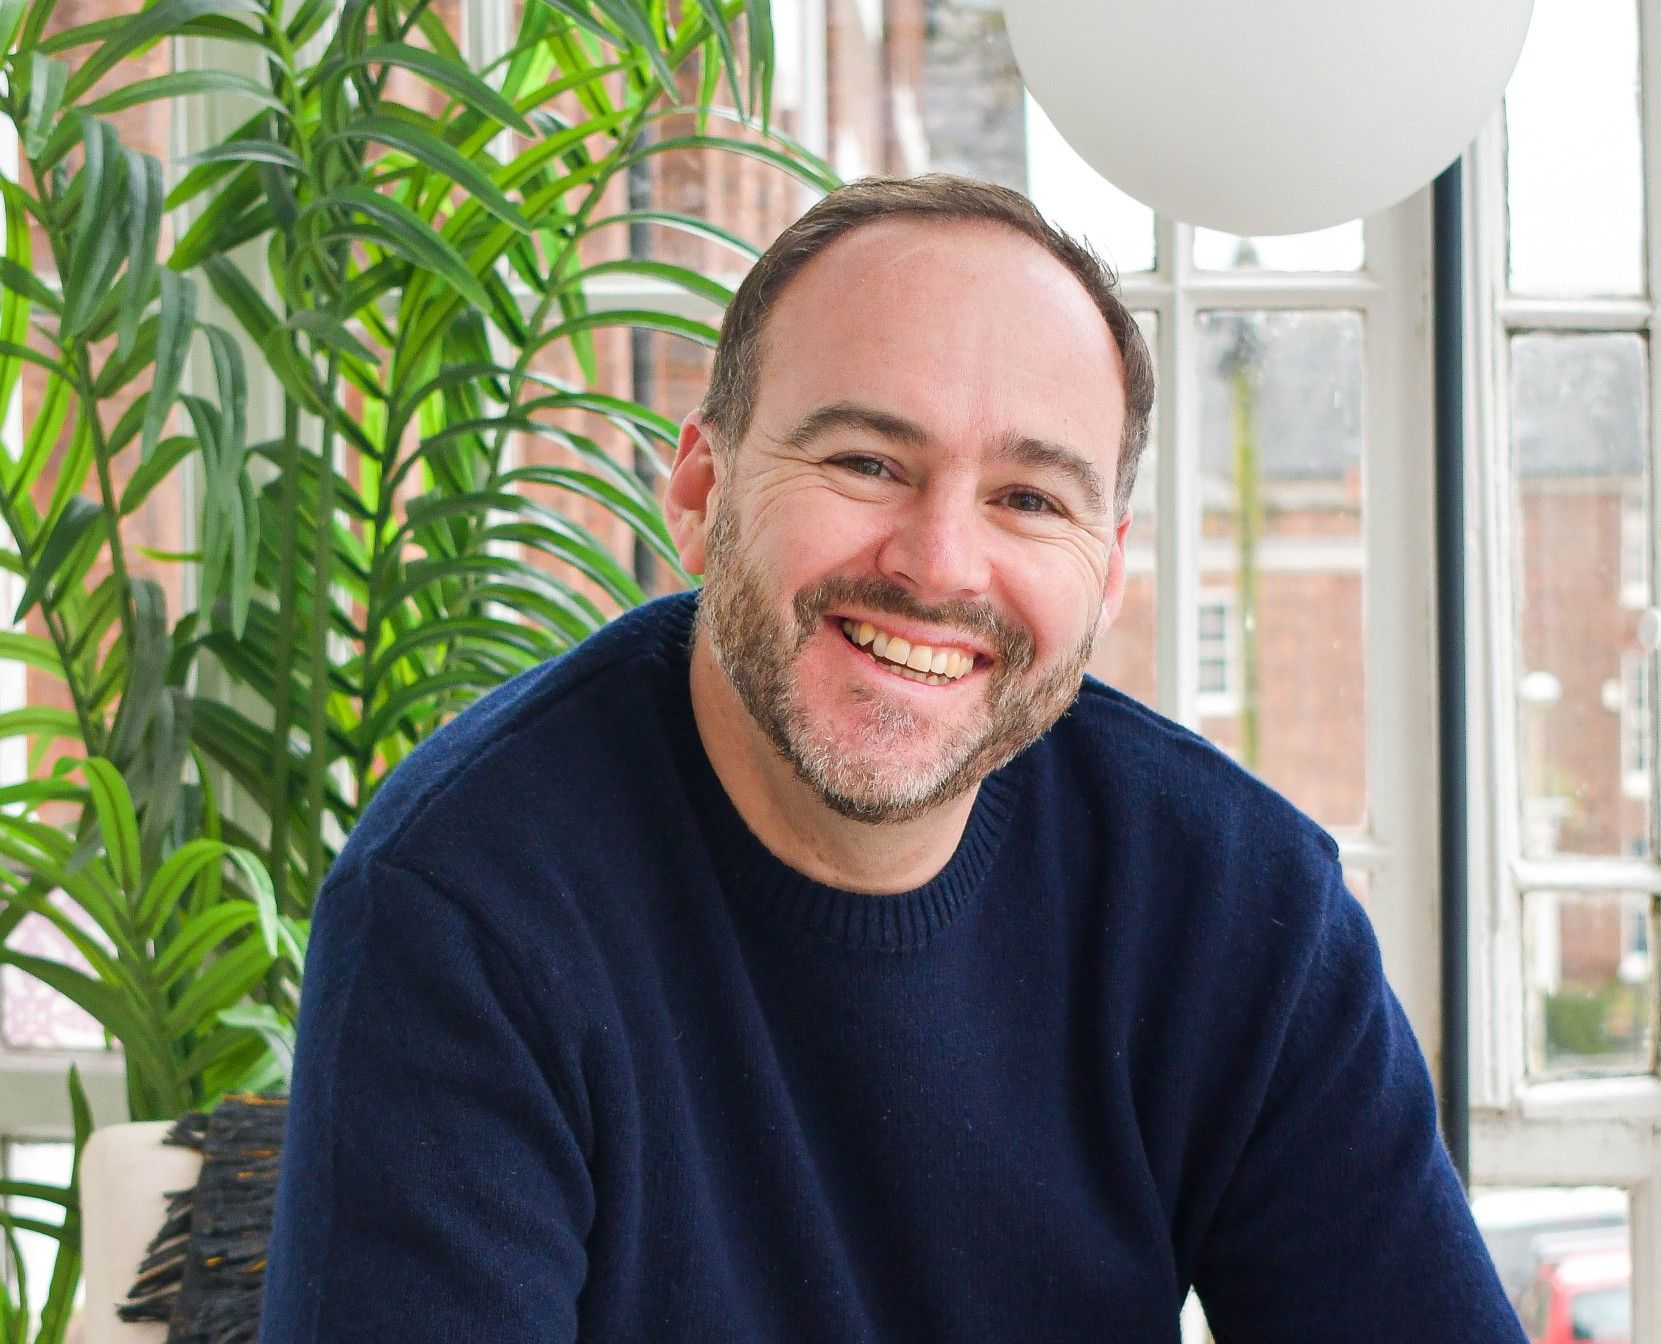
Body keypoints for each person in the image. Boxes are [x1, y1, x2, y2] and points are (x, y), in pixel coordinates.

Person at [259, 173, 1529, 1342]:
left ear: (1109, 571)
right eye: (867, 461)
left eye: (1031, 500)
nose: (938, 565)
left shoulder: (1240, 908)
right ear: (700, 490)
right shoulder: (467, 902)